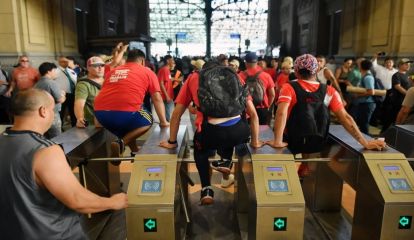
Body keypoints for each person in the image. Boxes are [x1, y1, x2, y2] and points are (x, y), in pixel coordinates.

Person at [0, 89, 127, 239]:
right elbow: (77, 200)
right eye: (53, 109)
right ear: (43, 111)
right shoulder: (45, 150)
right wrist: (113, 202)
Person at [160, 62, 263, 205]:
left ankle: (206, 188)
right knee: (229, 134)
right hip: (240, 132)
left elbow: (176, 114)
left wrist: (172, 142)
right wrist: (255, 141)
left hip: (210, 133)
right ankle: (226, 161)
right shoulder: (234, 76)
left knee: (201, 151)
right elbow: (252, 113)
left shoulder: (194, 78)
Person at [266, 54, 385, 151]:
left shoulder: (288, 87)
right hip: (318, 139)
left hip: (292, 139)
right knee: (312, 168)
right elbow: (346, 118)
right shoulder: (329, 91)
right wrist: (365, 142)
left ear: (296, 71)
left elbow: (281, 113)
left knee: (288, 168)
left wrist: (277, 140)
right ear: (317, 70)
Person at [94, 49, 169, 158]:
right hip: (125, 113)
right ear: (142, 61)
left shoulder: (113, 71)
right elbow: (157, 98)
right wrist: (163, 121)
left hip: (100, 115)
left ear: (127, 60)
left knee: (127, 128)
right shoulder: (147, 72)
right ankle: (121, 143)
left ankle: (134, 151)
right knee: (148, 120)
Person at [239, 52, 275, 125]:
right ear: (257, 62)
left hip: (246, 109)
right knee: (263, 133)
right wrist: (268, 106)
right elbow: (272, 94)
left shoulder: (240, 76)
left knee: (247, 133)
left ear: (245, 63)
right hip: (262, 109)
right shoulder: (266, 75)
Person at [34, 62, 66, 138]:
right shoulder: (51, 83)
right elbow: (60, 100)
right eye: (54, 71)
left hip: (41, 114)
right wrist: (63, 94)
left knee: (45, 137)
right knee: (56, 137)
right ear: (49, 71)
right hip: (52, 114)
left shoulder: (37, 84)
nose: (56, 73)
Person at [382, 58, 413, 132]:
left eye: (409, 64)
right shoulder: (396, 75)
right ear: (400, 65)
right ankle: (383, 135)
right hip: (396, 103)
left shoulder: (408, 76)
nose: (408, 66)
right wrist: (409, 94)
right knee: (390, 121)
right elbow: (398, 87)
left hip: (405, 103)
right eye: (406, 64)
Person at [74, 56, 105, 128]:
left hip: (109, 121)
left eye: (102, 65)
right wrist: (80, 118)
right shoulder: (83, 84)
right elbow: (79, 104)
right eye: (96, 66)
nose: (100, 68)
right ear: (88, 68)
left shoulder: (108, 80)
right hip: (93, 124)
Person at [354, 60, 376, 134]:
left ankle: (366, 142)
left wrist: (357, 95)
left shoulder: (368, 77)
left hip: (367, 104)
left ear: (361, 66)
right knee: (361, 123)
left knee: (364, 125)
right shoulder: (364, 75)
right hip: (363, 103)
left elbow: (371, 92)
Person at [55, 56, 77, 127]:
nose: (66, 63)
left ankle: (74, 125)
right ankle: (60, 128)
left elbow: (75, 81)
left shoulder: (71, 71)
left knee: (73, 112)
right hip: (62, 94)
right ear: (59, 62)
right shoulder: (55, 71)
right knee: (61, 112)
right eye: (63, 61)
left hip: (72, 94)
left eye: (67, 61)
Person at [157, 55, 175, 122]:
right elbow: (161, 83)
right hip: (165, 95)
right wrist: (167, 96)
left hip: (168, 94)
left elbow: (167, 81)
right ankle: (166, 124)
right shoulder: (164, 69)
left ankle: (166, 123)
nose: (173, 62)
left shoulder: (167, 70)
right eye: (172, 60)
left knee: (167, 110)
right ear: (168, 61)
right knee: (167, 112)